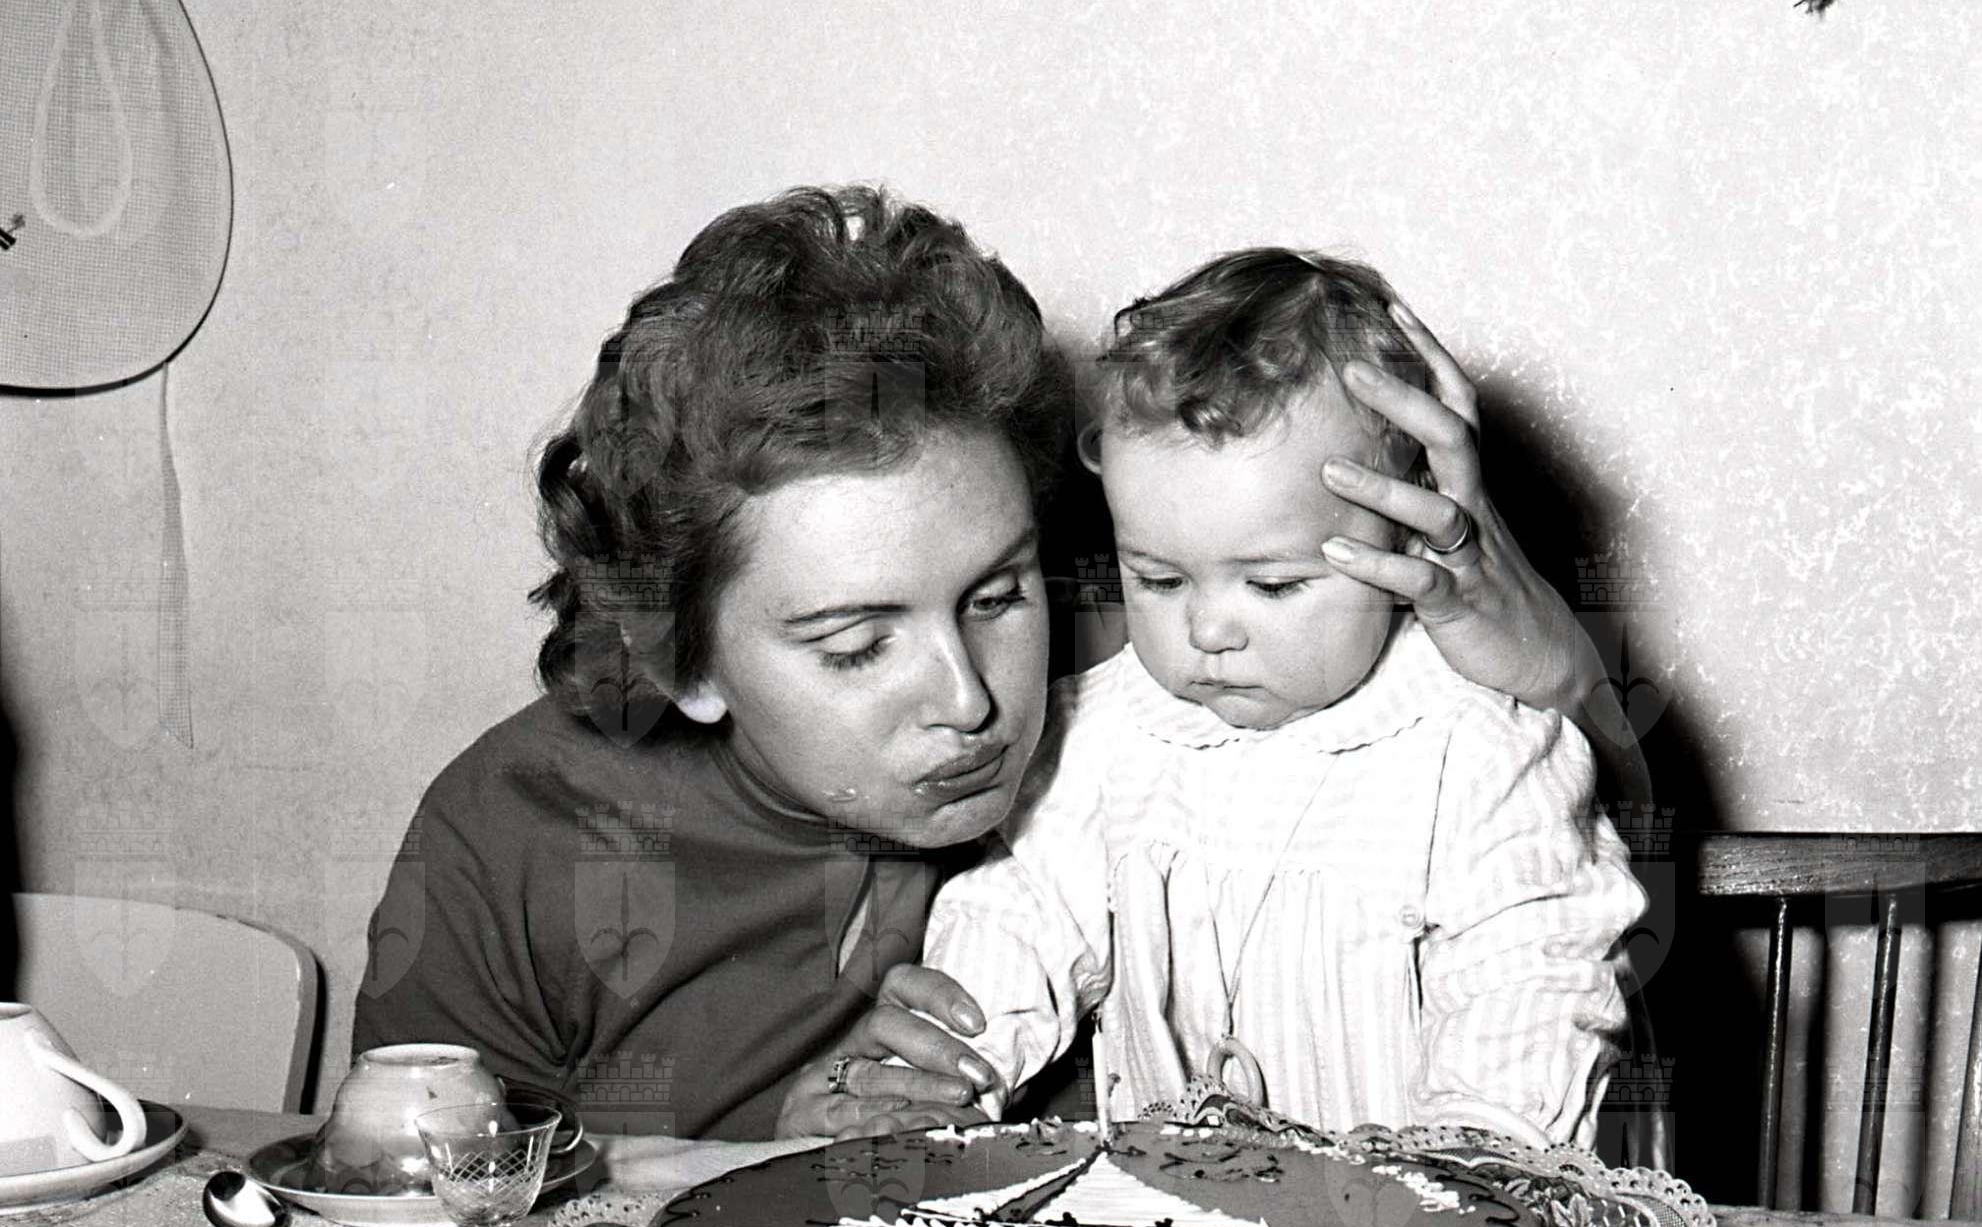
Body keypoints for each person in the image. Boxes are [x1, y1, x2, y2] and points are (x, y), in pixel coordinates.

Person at [353, 186, 1647, 1151]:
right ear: (677, 655)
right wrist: (750, 1161)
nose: (971, 700)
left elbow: (1569, 904)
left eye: (997, 595)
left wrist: (1539, 655)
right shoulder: (516, 833)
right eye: (857, 645)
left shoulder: (1172, 676)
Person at [903, 248, 1646, 1147]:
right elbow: (1017, 916)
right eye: (1159, 579)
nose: (1208, 628)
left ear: (1404, 539)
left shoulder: (1482, 748)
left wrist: (1473, 1159)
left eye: (1275, 585)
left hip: (1415, 1211)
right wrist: (943, 1073)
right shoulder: (1100, 731)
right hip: (1167, 1215)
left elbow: (1533, 977)